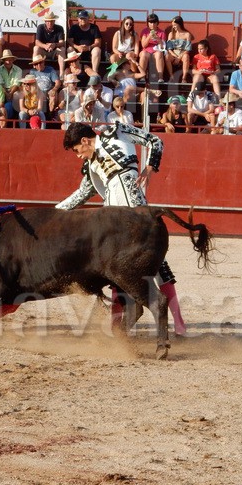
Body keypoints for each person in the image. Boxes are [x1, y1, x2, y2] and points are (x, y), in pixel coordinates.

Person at [57, 121, 187, 335]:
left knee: (158, 265)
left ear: (84, 140)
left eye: (77, 150)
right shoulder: (91, 166)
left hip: (136, 212)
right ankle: (116, 328)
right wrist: (55, 212)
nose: (78, 155)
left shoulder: (116, 132)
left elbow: (155, 141)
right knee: (115, 272)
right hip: (113, 221)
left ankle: (180, 325)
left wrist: (150, 167)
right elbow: (81, 195)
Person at [68, 10, 102, 74]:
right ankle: (74, 70)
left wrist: (89, 47)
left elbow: (98, 43)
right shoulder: (74, 27)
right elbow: (70, 41)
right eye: (81, 18)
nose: (82, 20)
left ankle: (94, 72)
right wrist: (77, 47)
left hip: (90, 51)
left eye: (84, 18)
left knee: (97, 50)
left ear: (88, 18)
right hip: (77, 52)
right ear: (78, 19)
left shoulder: (94, 28)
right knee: (69, 49)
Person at [33, 11, 66, 78]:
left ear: (54, 21)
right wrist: (45, 46)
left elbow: (62, 42)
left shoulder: (59, 28)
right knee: (36, 48)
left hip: (54, 52)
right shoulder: (40, 27)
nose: (50, 23)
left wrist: (54, 45)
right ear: (45, 21)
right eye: (48, 21)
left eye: (51, 21)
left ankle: (61, 73)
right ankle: (35, 70)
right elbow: (37, 42)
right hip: (43, 51)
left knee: (62, 49)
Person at [165, 16, 193, 83]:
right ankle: (171, 77)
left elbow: (188, 49)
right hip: (173, 53)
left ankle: (184, 78)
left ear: (179, 24)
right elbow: (169, 48)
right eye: (172, 25)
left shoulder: (187, 34)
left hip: (183, 54)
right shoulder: (171, 34)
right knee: (167, 56)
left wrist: (179, 57)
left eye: (175, 25)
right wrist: (175, 56)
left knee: (186, 57)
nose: (173, 27)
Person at [139, 14, 166, 83]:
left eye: (154, 22)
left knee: (159, 54)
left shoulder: (162, 32)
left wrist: (157, 38)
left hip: (156, 51)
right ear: (148, 23)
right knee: (143, 54)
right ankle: (142, 77)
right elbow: (143, 45)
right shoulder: (145, 31)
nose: (152, 24)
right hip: (146, 51)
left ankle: (160, 77)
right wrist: (149, 36)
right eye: (150, 22)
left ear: (157, 23)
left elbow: (163, 46)